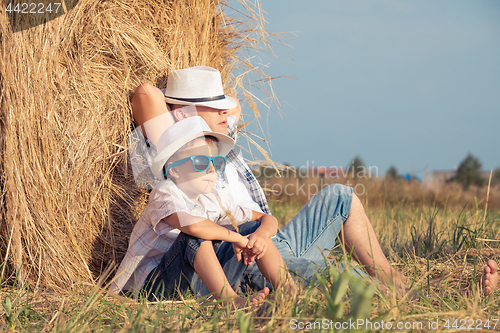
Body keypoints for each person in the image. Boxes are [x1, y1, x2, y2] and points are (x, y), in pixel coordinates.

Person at [128, 66, 498, 297]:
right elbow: (146, 95)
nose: (228, 111)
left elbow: (234, 109)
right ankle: (438, 295)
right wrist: (188, 122)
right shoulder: (177, 156)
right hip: (239, 256)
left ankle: (396, 281)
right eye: (216, 106)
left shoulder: (221, 141)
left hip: (266, 239)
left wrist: (212, 111)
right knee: (331, 273)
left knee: (340, 195)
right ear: (184, 113)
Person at [111, 116, 294, 308]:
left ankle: (288, 290)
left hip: (199, 283)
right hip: (158, 288)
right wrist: (238, 239)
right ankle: (230, 300)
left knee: (252, 227)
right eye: (200, 161)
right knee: (194, 236)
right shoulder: (164, 192)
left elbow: (266, 218)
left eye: (216, 162)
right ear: (174, 170)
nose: (211, 169)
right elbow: (193, 226)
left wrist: (260, 235)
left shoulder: (214, 197)